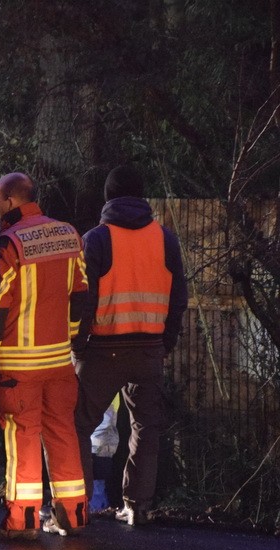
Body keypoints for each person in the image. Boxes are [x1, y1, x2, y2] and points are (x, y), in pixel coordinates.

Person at [73, 165, 188, 525]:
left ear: (107, 198)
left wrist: (78, 345)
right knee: (145, 427)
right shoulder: (165, 239)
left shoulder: (97, 239)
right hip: (150, 349)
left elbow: (84, 299)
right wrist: (165, 342)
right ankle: (137, 507)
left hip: (102, 350)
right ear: (142, 197)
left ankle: (76, 507)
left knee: (78, 425)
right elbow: (178, 297)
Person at [0, 172, 89, 539]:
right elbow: (80, 295)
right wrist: (71, 340)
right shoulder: (68, 235)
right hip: (60, 363)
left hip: (18, 365)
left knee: (23, 436)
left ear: (11, 200)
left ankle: (22, 522)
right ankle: (73, 516)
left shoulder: (8, 245)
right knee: (63, 432)